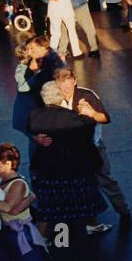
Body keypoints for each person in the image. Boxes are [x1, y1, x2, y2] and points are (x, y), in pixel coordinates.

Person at [28, 81, 111, 236]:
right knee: (86, 200)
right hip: (75, 169)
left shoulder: (35, 116)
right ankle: (92, 225)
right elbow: (89, 134)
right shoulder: (76, 119)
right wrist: (88, 113)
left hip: (48, 170)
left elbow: (32, 129)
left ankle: (43, 238)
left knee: (48, 207)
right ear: (60, 96)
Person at [52, 68, 130, 222]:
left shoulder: (87, 96)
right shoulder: (53, 97)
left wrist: (92, 113)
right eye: (61, 87)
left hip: (93, 147)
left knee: (104, 179)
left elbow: (105, 118)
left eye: (68, 87)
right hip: (69, 150)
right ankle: (87, 218)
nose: (65, 91)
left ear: (74, 82)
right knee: (75, 183)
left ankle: (123, 210)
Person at [12, 36, 65, 141]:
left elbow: (23, 88)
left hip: (42, 115)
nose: (29, 52)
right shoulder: (48, 59)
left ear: (42, 48)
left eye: (32, 48)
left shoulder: (47, 65)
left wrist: (33, 72)